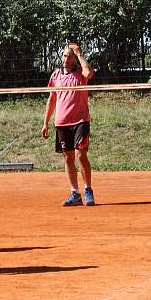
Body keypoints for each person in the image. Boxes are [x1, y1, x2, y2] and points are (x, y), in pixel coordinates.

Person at [41, 43, 96, 206]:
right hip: (62, 122)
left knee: (81, 155)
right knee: (68, 158)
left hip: (80, 120)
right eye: (64, 55)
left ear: (74, 59)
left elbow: (89, 73)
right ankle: (75, 193)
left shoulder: (80, 73)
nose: (65, 59)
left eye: (69, 56)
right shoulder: (56, 75)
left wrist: (79, 54)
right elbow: (52, 99)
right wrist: (45, 123)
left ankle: (88, 190)